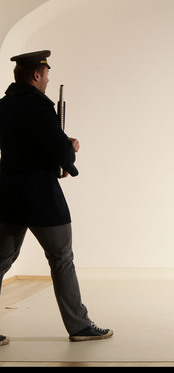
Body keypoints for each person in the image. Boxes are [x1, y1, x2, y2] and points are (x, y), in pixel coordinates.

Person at [0, 50, 112, 346]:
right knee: (62, 259)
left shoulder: (4, 106)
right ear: (37, 75)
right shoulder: (39, 106)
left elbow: (23, 145)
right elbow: (58, 150)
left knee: (0, 260)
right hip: (41, 197)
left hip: (9, 194)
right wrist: (69, 148)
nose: (48, 79)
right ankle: (79, 326)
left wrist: (55, 153)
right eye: (46, 74)